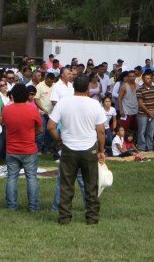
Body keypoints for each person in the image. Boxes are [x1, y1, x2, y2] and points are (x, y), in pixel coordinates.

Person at [48, 74, 107, 225]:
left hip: (68, 148)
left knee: (66, 185)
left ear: (73, 86)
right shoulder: (95, 104)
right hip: (89, 148)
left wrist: (59, 141)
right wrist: (101, 150)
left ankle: (64, 217)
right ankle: (92, 217)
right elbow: (101, 131)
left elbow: (51, 126)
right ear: (88, 87)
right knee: (91, 184)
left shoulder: (63, 102)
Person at [3, 84, 43, 212]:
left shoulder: (6, 110)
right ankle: (33, 206)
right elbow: (40, 128)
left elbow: (5, 124)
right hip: (29, 148)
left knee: (11, 177)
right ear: (27, 95)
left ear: (13, 95)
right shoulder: (33, 109)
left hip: (12, 149)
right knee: (31, 177)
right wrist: (32, 134)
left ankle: (11, 205)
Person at [134, 71, 154, 151]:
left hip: (152, 113)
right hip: (142, 114)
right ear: (143, 80)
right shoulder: (139, 90)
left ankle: (149, 147)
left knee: (150, 131)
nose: (150, 80)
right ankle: (141, 147)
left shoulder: (153, 88)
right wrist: (149, 112)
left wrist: (153, 111)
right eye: (147, 78)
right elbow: (140, 104)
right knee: (142, 132)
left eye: (150, 78)